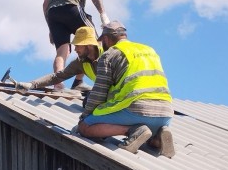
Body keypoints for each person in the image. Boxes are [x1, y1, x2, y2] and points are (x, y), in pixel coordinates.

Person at [75, 21, 175, 158]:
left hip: (137, 109)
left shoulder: (109, 54)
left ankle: (132, 130)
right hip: (166, 113)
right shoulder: (149, 50)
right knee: (148, 131)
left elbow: (99, 92)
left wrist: (85, 116)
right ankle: (158, 137)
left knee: (84, 127)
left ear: (105, 39)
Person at [43, 0, 109, 91]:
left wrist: (51, 28)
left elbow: (45, 4)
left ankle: (58, 84)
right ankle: (78, 82)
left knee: (62, 52)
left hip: (53, 13)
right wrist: (103, 14)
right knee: (93, 42)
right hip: (71, 6)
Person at [17, 26, 103, 105]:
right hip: (105, 93)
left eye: (78, 46)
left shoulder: (108, 56)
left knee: (90, 101)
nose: (75, 49)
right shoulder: (80, 62)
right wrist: (31, 84)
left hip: (113, 94)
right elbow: (57, 76)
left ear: (89, 45)